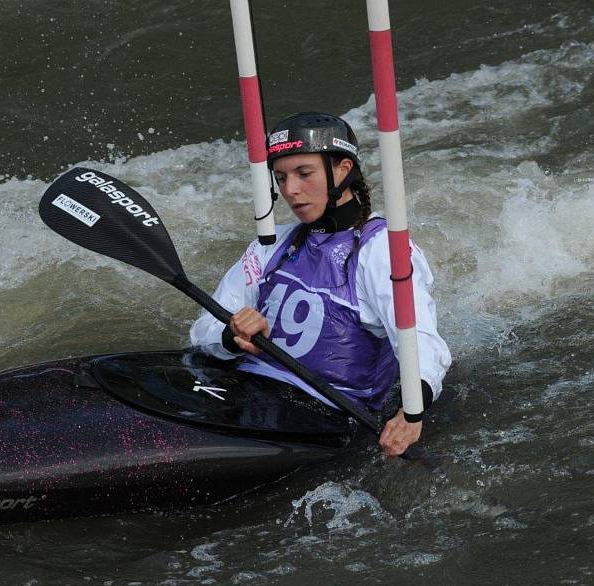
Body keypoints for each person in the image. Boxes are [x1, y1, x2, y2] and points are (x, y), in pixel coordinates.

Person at [190, 112, 450, 456]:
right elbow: (202, 330)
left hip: (320, 415)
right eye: (281, 177)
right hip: (244, 388)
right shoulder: (272, 244)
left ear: (342, 169)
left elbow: (422, 341)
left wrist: (411, 413)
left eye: (304, 173)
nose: (290, 190)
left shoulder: (382, 251)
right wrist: (231, 334)